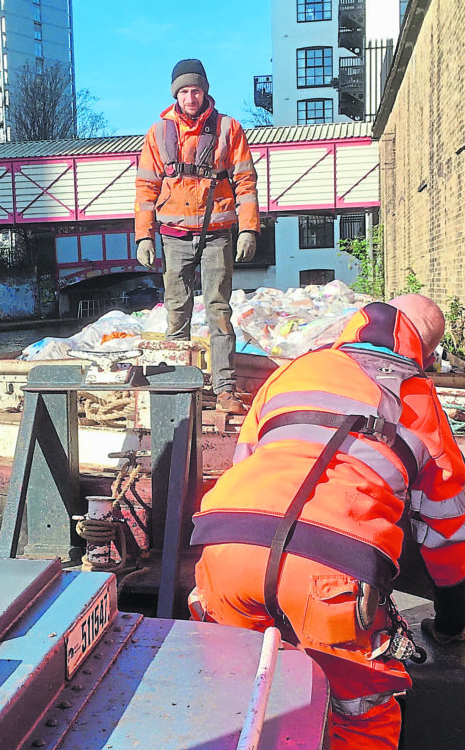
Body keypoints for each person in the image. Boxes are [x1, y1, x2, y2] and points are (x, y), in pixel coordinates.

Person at [189, 294, 465, 750]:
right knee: (359, 712)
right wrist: (452, 619)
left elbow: (246, 462)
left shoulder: (292, 371)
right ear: (426, 354)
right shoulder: (419, 398)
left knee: (238, 702)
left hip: (226, 549)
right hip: (334, 575)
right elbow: (448, 530)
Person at [134, 58, 259, 412]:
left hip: (217, 233)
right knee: (177, 311)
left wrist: (249, 228)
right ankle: (179, 387)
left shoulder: (228, 129)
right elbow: (145, 188)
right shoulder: (158, 133)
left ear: (206, 91)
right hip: (174, 236)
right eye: (185, 91)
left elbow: (245, 183)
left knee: (219, 310)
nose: (191, 97)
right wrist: (144, 236)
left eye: (196, 90)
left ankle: (224, 390)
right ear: (176, 94)